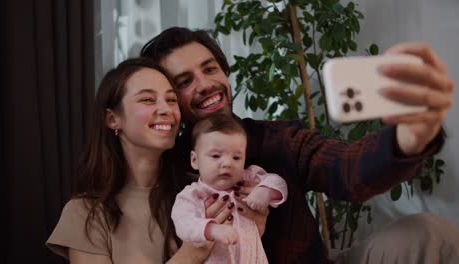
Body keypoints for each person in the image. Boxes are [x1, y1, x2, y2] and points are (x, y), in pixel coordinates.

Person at [140, 27, 458, 263]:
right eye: (184, 82)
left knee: (427, 232)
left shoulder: (278, 139)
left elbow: (346, 168)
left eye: (210, 69)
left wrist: (409, 137)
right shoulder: (162, 170)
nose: (205, 84)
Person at [46, 57, 232, 263]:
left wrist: (256, 228)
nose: (166, 110)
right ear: (112, 119)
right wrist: (191, 254)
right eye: (148, 100)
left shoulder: (201, 192)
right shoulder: (85, 213)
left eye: (171, 100)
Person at [171, 114, 288, 263]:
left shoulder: (248, 178)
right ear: (195, 160)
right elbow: (183, 223)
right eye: (215, 155)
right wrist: (211, 229)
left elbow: (278, 182)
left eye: (236, 157)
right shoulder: (193, 195)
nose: (227, 163)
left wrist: (266, 191)